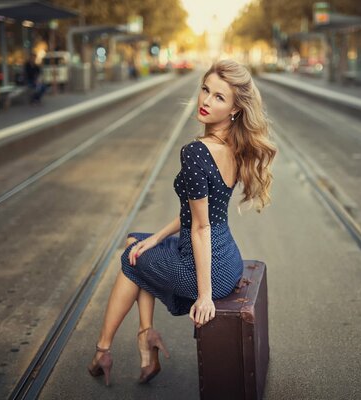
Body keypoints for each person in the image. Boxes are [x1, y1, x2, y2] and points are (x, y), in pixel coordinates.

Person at [87, 59, 277, 386]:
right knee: (141, 240)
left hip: (204, 269)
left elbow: (200, 228)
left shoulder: (196, 152)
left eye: (219, 97)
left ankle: (104, 350)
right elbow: (198, 214)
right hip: (227, 260)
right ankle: (146, 339)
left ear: (234, 109)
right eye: (205, 90)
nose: (205, 100)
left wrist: (205, 296)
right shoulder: (233, 145)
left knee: (130, 257)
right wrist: (157, 236)